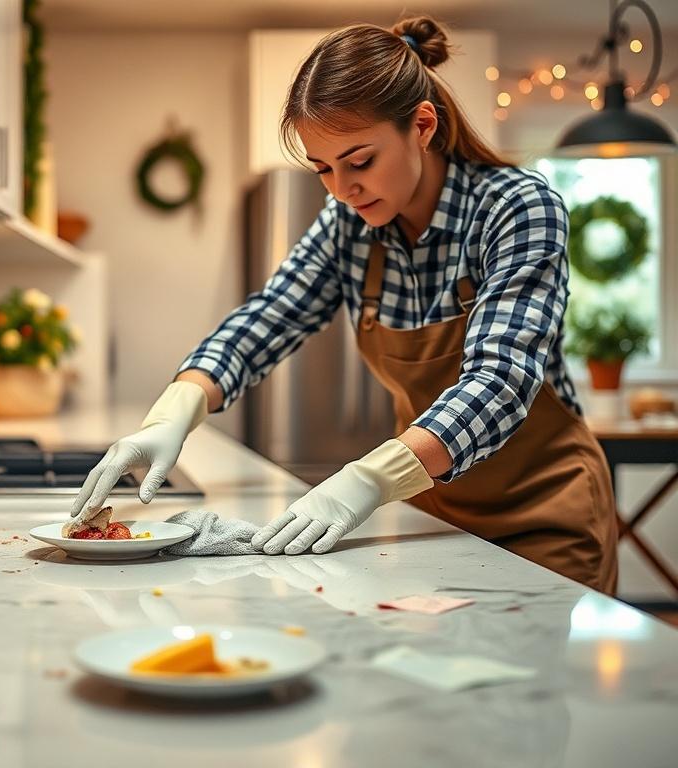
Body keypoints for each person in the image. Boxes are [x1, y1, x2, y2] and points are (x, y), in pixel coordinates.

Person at [69, 16, 618, 594]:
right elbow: (269, 317)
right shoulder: (349, 225)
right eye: (323, 168)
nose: (341, 190)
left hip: (546, 516)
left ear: (422, 126)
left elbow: (501, 382)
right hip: (437, 516)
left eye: (359, 161)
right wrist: (173, 412)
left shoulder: (517, 207)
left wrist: (366, 479)